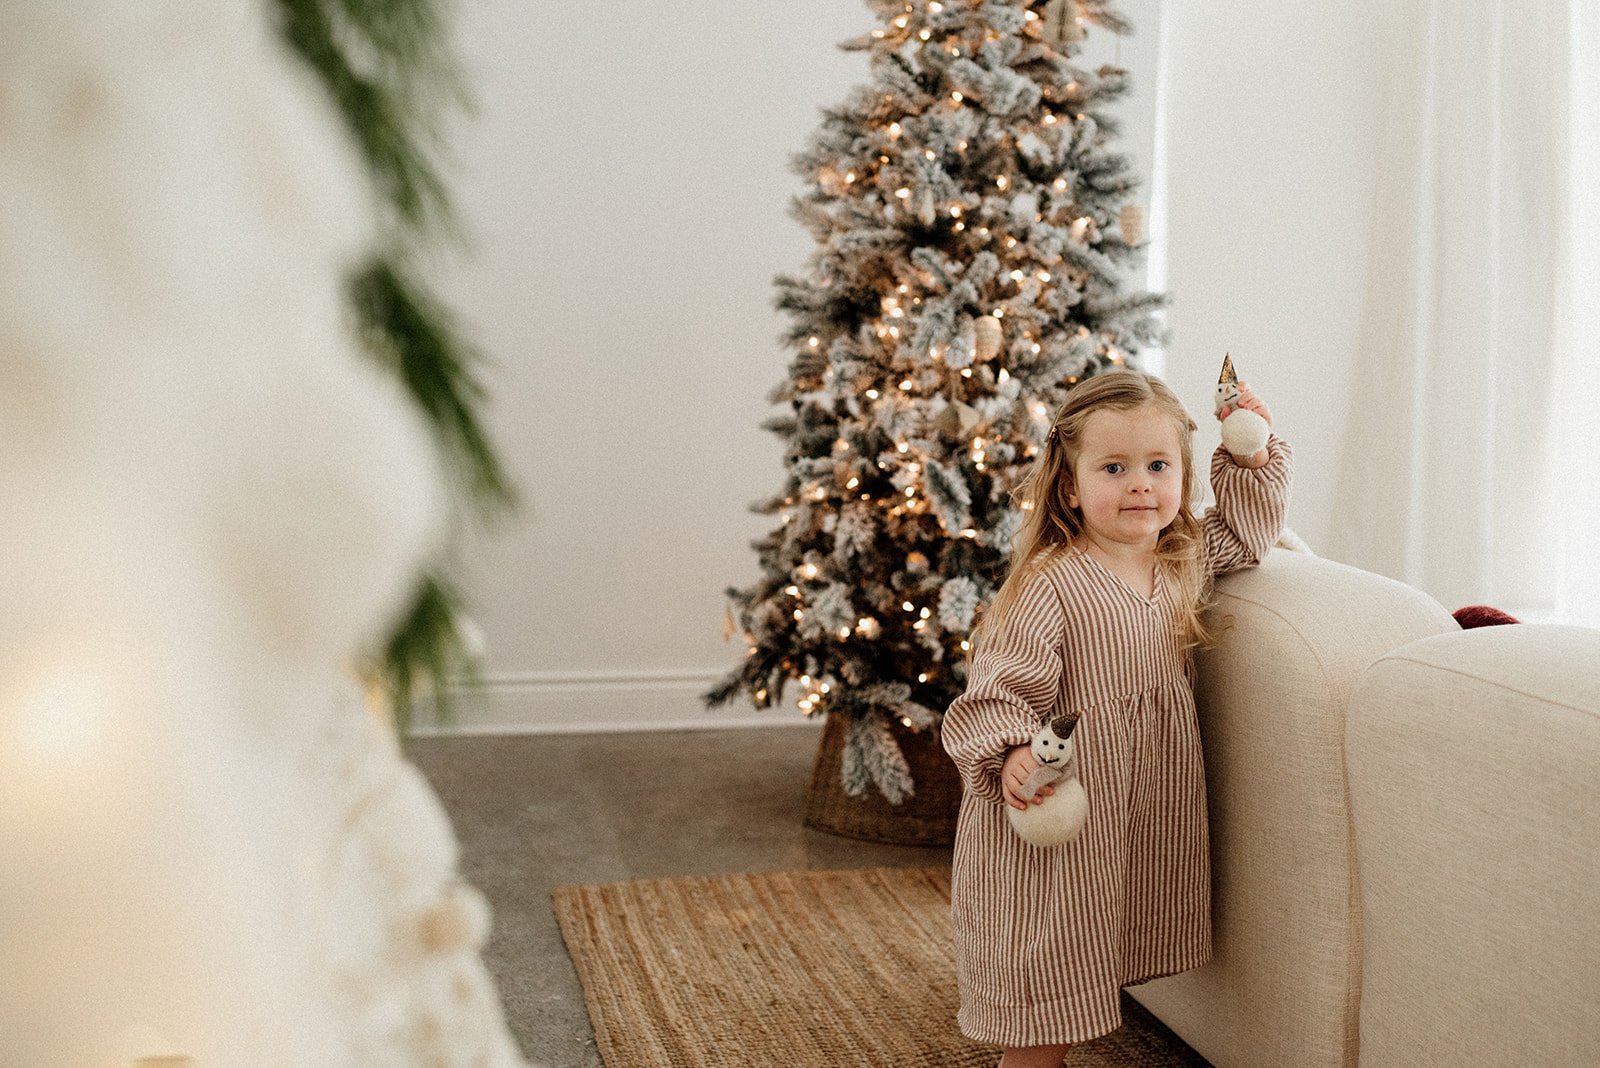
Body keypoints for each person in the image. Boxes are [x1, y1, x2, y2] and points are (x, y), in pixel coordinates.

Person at [942, 369, 1291, 1067]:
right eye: (1114, 467)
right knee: (1047, 968)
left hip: (1132, 806)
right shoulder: (1053, 584)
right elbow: (998, 687)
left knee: (1099, 935)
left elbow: (1249, 537)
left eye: (1158, 466)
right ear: (1070, 487)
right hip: (1064, 803)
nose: (1140, 484)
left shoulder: (1181, 560)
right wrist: (1012, 753)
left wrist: (1251, 453)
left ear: (1183, 477)